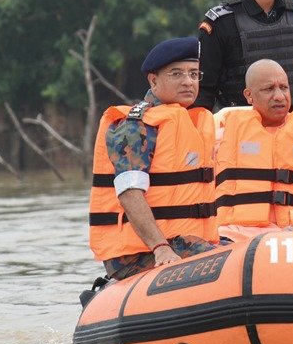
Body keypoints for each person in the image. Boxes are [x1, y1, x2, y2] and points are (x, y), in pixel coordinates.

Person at [88, 37, 218, 280]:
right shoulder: (136, 126)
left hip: (184, 241)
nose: (188, 82)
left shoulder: (193, 122)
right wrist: (160, 248)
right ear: (154, 80)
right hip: (140, 253)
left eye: (194, 74)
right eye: (177, 74)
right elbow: (129, 193)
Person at [213, 59, 293, 237]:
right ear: (249, 95)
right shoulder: (222, 137)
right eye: (268, 89)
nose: (279, 96)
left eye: (284, 88)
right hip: (235, 236)